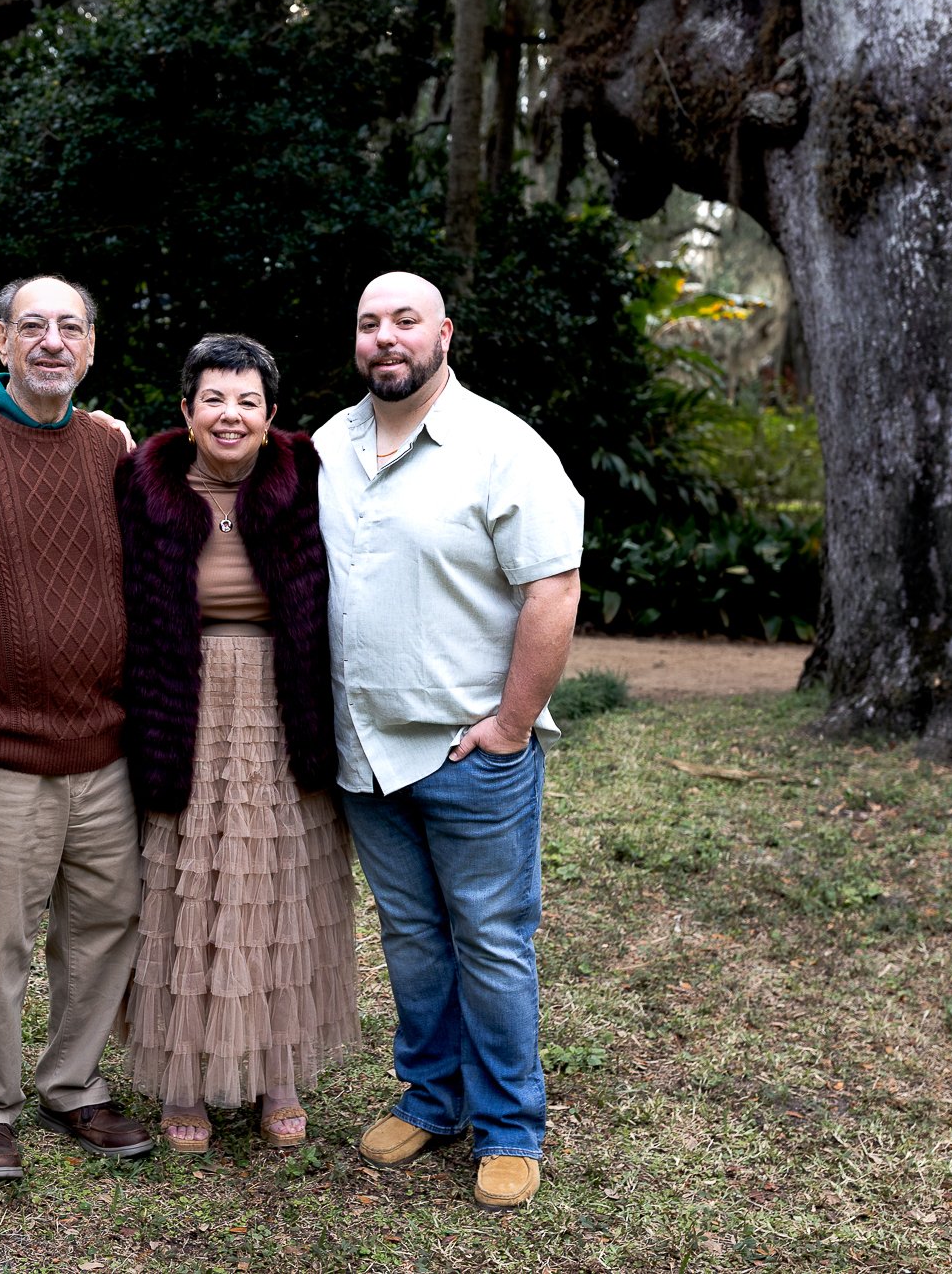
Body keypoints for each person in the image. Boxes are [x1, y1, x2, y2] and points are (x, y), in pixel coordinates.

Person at [315, 271, 583, 1211]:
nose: (386, 337)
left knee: (492, 940)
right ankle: (433, 1097)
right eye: (369, 322)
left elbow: (553, 587)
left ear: (443, 334)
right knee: (415, 938)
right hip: (364, 754)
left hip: (469, 755)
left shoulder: (502, 447)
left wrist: (511, 724)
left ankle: (511, 1125)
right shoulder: (327, 446)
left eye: (405, 321)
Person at [0, 274, 155, 1180]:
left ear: (92, 348)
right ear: (0, 341)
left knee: (105, 925)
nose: (53, 341)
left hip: (105, 743)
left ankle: (75, 1083)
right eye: (34, 326)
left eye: (71, 328)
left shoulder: (111, 445)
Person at [115, 334, 358, 1154]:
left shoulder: (306, 483)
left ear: (271, 416)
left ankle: (276, 1071)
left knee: (276, 881)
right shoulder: (143, 486)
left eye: (247, 401)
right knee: (188, 888)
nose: (230, 414)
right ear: (185, 412)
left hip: (283, 700)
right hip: (179, 700)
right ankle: (183, 1076)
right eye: (213, 398)